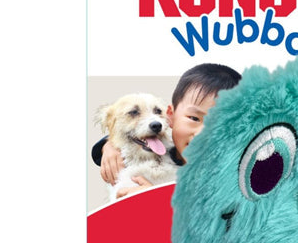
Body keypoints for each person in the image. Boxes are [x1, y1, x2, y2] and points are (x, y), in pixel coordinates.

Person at [93, 63, 241, 198]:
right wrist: (108, 145)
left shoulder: (236, 180)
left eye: (219, 125)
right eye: (194, 118)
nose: (201, 134)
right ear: (170, 116)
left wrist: (157, 199)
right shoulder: (162, 153)